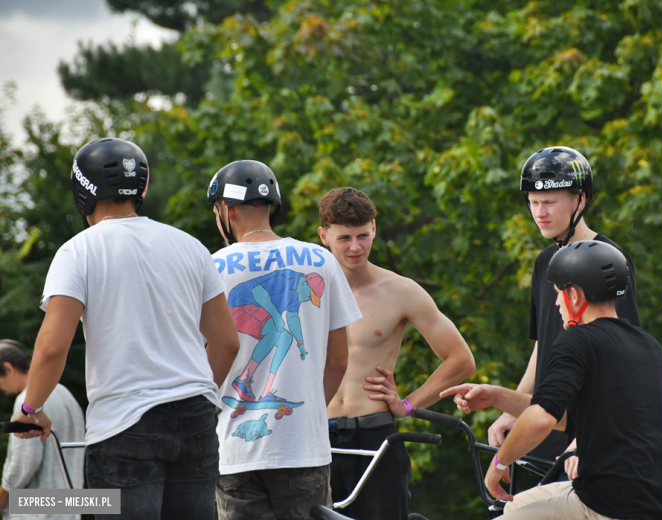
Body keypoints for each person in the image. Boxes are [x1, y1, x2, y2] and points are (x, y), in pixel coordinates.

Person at [12, 138, 240, 520]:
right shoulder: (191, 247)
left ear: (83, 190)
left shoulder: (78, 251)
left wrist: (31, 408)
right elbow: (227, 343)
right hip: (197, 420)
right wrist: (193, 392)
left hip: (124, 424)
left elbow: (52, 349)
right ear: (142, 189)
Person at [443, 240, 662, 519]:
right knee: (515, 504)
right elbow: (571, 418)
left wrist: (499, 461)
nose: (556, 303)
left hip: (605, 505)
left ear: (575, 296)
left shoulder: (577, 340)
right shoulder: (647, 345)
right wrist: (496, 397)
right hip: (655, 504)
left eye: (558, 294)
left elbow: (543, 417)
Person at [207, 161, 362, 520]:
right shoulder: (320, 260)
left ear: (226, 211)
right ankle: (254, 380)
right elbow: (339, 361)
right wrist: (308, 411)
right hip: (303, 450)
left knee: (280, 334)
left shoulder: (212, 266)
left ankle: (249, 382)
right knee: (278, 331)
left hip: (235, 451)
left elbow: (200, 355)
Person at [317, 187, 476, 520]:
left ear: (374, 228)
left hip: (375, 433)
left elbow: (461, 359)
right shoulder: (304, 291)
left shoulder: (400, 291)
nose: (356, 247)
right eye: (344, 238)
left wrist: (407, 404)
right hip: (316, 433)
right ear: (324, 236)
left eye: (363, 235)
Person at [487, 147, 641, 477]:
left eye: (549, 202)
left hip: (586, 440)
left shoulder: (609, 261)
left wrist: (588, 436)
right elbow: (543, 344)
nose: (539, 212)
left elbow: (622, 359)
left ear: (580, 200)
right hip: (543, 427)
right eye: (532, 202)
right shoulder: (545, 261)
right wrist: (516, 408)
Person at [0, 340, 84, 520]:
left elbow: (24, 462)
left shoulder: (27, 402)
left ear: (9, 368)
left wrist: (3, 493)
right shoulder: (65, 394)